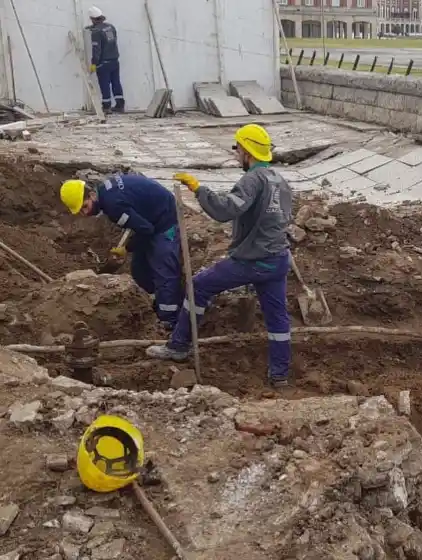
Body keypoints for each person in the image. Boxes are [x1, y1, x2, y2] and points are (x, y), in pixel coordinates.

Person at [146, 124, 293, 388]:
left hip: (252, 261)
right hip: (277, 259)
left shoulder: (252, 180)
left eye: (237, 149)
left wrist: (198, 189)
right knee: (277, 318)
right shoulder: (279, 181)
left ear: (247, 151)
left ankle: (179, 345)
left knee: (199, 286)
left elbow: (225, 210)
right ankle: (279, 374)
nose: (236, 155)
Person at [60, 174, 183, 329]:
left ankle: (169, 320)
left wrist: (127, 248)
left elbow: (146, 230)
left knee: (163, 269)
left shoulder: (113, 206)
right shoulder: (104, 191)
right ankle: (153, 302)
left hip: (165, 217)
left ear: (91, 195)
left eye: (85, 206)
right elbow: (138, 222)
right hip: (149, 218)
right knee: (139, 269)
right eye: (80, 211)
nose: (85, 213)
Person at [88, 6, 124, 114]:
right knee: (116, 82)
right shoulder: (110, 27)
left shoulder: (96, 32)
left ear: (92, 19)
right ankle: (120, 105)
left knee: (104, 84)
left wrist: (94, 63)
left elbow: (96, 49)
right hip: (114, 60)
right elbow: (110, 40)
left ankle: (106, 106)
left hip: (103, 63)